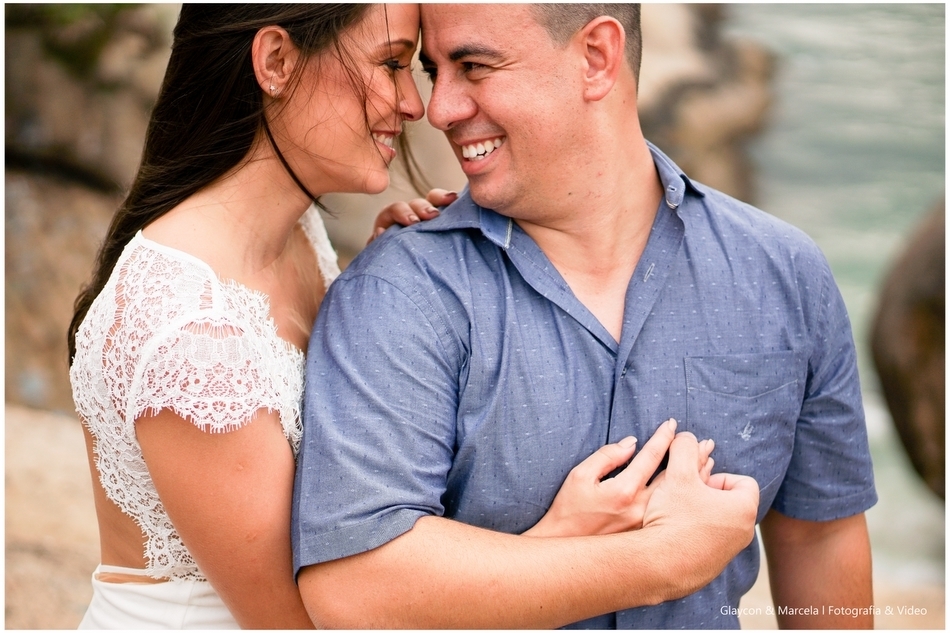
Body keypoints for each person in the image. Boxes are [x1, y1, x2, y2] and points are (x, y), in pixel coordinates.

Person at [67, 4, 734, 629]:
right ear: (274, 62)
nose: (418, 105)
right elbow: (309, 622)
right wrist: (560, 541)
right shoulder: (191, 329)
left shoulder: (295, 236)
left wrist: (381, 291)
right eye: (391, 64)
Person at [293, 3, 877, 629]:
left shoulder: (783, 272)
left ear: (597, 57)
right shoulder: (397, 292)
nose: (439, 111)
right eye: (437, 73)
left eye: (474, 66)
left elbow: (819, 535)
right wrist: (658, 561)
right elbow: (356, 584)